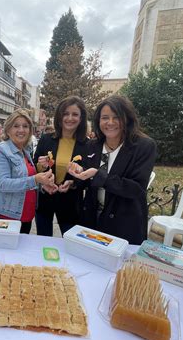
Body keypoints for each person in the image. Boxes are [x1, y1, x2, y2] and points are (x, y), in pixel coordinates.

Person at [67, 95, 156, 245]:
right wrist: (75, 178)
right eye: (105, 118)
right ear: (98, 121)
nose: (110, 123)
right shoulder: (93, 146)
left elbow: (136, 189)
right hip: (92, 221)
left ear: (126, 118)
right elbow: (88, 181)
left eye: (116, 117)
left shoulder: (144, 146)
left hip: (124, 224)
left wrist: (98, 174)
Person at [0, 109, 55, 234]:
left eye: (25, 126)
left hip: (25, 215)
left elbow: (27, 179)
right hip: (6, 215)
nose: (21, 130)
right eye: (16, 126)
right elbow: (3, 184)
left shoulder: (24, 150)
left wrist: (43, 185)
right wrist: (36, 179)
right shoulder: (0, 150)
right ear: (8, 129)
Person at [34, 96, 89, 237]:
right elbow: (35, 167)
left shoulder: (87, 145)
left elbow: (88, 177)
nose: (70, 118)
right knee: (43, 240)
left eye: (75, 114)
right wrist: (41, 166)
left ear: (81, 118)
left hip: (70, 201)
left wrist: (73, 183)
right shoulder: (46, 139)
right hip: (46, 196)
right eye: (65, 113)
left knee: (71, 241)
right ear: (59, 116)